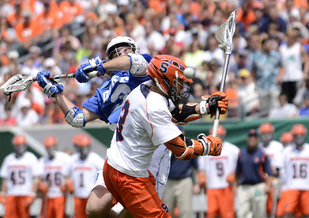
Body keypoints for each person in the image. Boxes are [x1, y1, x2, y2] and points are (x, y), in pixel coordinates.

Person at [36, 36, 228, 218]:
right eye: (115, 52)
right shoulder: (111, 90)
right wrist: (56, 93)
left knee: (133, 213)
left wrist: (102, 66)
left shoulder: (145, 71)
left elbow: (136, 66)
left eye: (126, 50)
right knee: (95, 209)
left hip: (152, 155)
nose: (121, 54)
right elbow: (77, 118)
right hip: (123, 152)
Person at [103, 55, 225, 218]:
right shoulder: (153, 106)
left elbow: (175, 113)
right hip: (129, 176)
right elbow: (182, 150)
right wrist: (208, 146)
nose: (181, 88)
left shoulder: (146, 87)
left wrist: (206, 107)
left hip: (115, 166)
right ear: (165, 80)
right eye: (179, 83)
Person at [199, 124, 240, 218]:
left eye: (220, 136)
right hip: (212, 186)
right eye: (216, 136)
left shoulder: (232, 149)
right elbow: (202, 168)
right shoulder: (206, 150)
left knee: (228, 214)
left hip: (227, 186)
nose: (218, 138)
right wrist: (202, 176)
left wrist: (235, 175)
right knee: (211, 214)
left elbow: (241, 164)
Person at [0, 135, 41, 218]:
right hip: (11, 193)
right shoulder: (9, 159)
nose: (21, 147)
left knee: (24, 215)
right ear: (14, 146)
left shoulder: (31, 158)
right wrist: (2, 193)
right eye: (18, 145)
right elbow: (5, 178)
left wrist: (32, 193)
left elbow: (36, 178)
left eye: (22, 145)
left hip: (25, 193)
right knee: (9, 216)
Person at [163, 128, 201, 218]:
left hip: (185, 180)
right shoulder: (167, 147)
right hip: (169, 181)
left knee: (186, 211)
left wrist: (197, 184)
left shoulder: (190, 146)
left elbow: (196, 168)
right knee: (167, 211)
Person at [235, 129, 274, 218]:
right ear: (247, 139)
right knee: (242, 213)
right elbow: (237, 172)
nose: (252, 139)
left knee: (259, 213)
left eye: (254, 137)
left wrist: (268, 186)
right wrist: (235, 186)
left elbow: (269, 173)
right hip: (244, 187)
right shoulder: (242, 153)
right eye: (250, 137)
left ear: (258, 139)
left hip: (258, 186)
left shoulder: (262, 154)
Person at [68, 134, 105, 218]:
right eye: (82, 147)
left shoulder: (94, 158)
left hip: (91, 195)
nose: (84, 150)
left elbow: (105, 170)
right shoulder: (73, 159)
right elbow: (65, 174)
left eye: (86, 147)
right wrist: (68, 181)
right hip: (77, 195)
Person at [38, 135, 72, 218]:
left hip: (61, 194)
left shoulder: (64, 158)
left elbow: (71, 173)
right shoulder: (42, 160)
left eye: (52, 147)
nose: (51, 149)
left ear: (56, 146)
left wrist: (68, 184)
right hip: (47, 195)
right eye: (48, 147)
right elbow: (39, 178)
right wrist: (41, 185)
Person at [280, 124, 309, 218]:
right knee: (288, 211)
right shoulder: (287, 151)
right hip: (291, 185)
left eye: (301, 135)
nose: (299, 138)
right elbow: (279, 168)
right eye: (296, 136)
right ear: (293, 136)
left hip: (306, 186)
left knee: (306, 213)